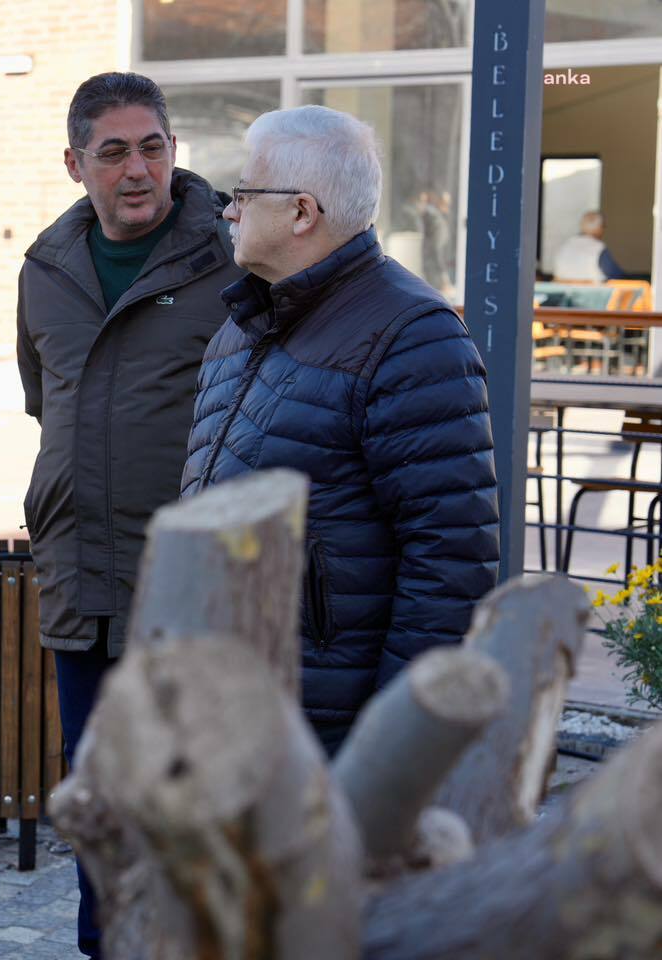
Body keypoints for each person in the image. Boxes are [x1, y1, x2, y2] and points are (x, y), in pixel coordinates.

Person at [182, 105, 500, 755]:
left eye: (243, 194)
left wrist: (390, 742)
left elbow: (449, 562)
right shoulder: (242, 325)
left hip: (325, 729)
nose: (230, 211)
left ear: (302, 212)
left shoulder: (412, 336)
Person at [16, 71, 240, 960]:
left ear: (173, 151)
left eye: (153, 146)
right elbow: (48, 404)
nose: (138, 169)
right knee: (100, 803)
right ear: (76, 164)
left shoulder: (230, 257)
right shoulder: (45, 269)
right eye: (114, 153)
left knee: (192, 807)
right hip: (82, 583)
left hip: (191, 589)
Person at [553, 210, 628, 282]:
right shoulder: (598, 248)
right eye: (603, 226)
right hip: (593, 293)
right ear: (599, 228)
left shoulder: (565, 246)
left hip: (565, 292)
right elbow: (615, 275)